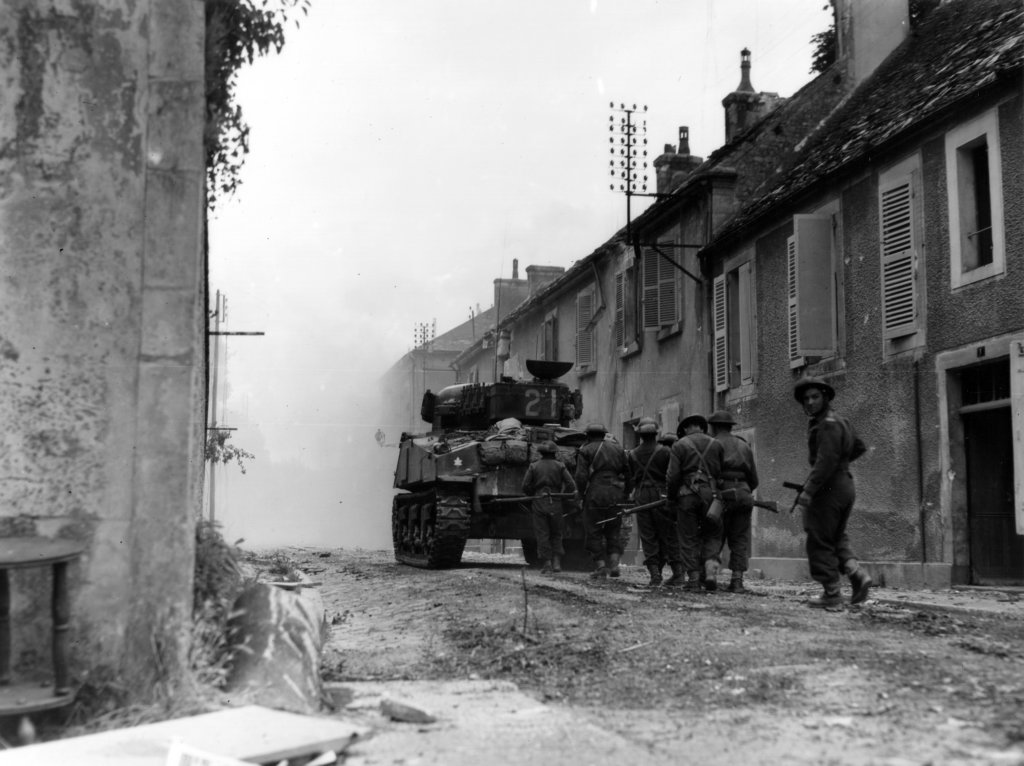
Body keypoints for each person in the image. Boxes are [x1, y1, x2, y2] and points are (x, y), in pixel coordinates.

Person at [793, 377, 872, 609]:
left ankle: (832, 593)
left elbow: (825, 461)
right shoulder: (841, 420)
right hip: (845, 485)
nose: (809, 402)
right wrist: (841, 465)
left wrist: (808, 490)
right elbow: (858, 447)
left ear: (825, 397)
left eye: (815, 397)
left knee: (819, 539)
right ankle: (857, 574)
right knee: (836, 536)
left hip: (828, 488)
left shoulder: (826, 424)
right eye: (806, 399)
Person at [666, 413, 723, 591]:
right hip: (711, 495)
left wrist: (671, 498)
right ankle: (710, 569)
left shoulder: (679, 445)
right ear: (702, 427)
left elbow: (672, 476)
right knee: (713, 533)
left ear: (684, 429)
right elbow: (721, 472)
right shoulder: (717, 444)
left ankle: (693, 579)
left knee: (688, 536)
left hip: (687, 495)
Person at [705, 410, 759, 594]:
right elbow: (754, 480)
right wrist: (741, 489)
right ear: (730, 426)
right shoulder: (744, 446)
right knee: (739, 538)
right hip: (743, 493)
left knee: (714, 535)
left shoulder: (711, 444)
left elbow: (708, 473)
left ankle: (711, 574)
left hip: (721, 495)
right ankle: (737, 581)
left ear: (714, 427)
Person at [627, 417, 684, 587]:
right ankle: (678, 573)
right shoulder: (666, 452)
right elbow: (673, 475)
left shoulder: (632, 454)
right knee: (669, 534)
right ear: (655, 433)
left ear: (640, 435)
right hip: (662, 495)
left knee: (648, 535)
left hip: (642, 494)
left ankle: (655, 575)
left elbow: (632, 479)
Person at [575, 422, 632, 579]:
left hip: (596, 492)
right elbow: (628, 474)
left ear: (588, 436)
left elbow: (581, 476)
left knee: (593, 529)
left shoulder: (585, 450)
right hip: (615, 492)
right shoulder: (618, 449)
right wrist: (626, 493)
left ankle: (601, 566)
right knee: (614, 529)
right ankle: (614, 565)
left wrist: (580, 494)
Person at [521, 440, 577, 573]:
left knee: (542, 533)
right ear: (554, 453)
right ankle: (557, 563)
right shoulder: (560, 465)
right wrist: (561, 495)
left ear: (541, 453)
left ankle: (547, 563)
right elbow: (571, 484)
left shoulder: (534, 466)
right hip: (556, 502)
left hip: (539, 501)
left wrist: (533, 494)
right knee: (557, 533)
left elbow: (525, 486)